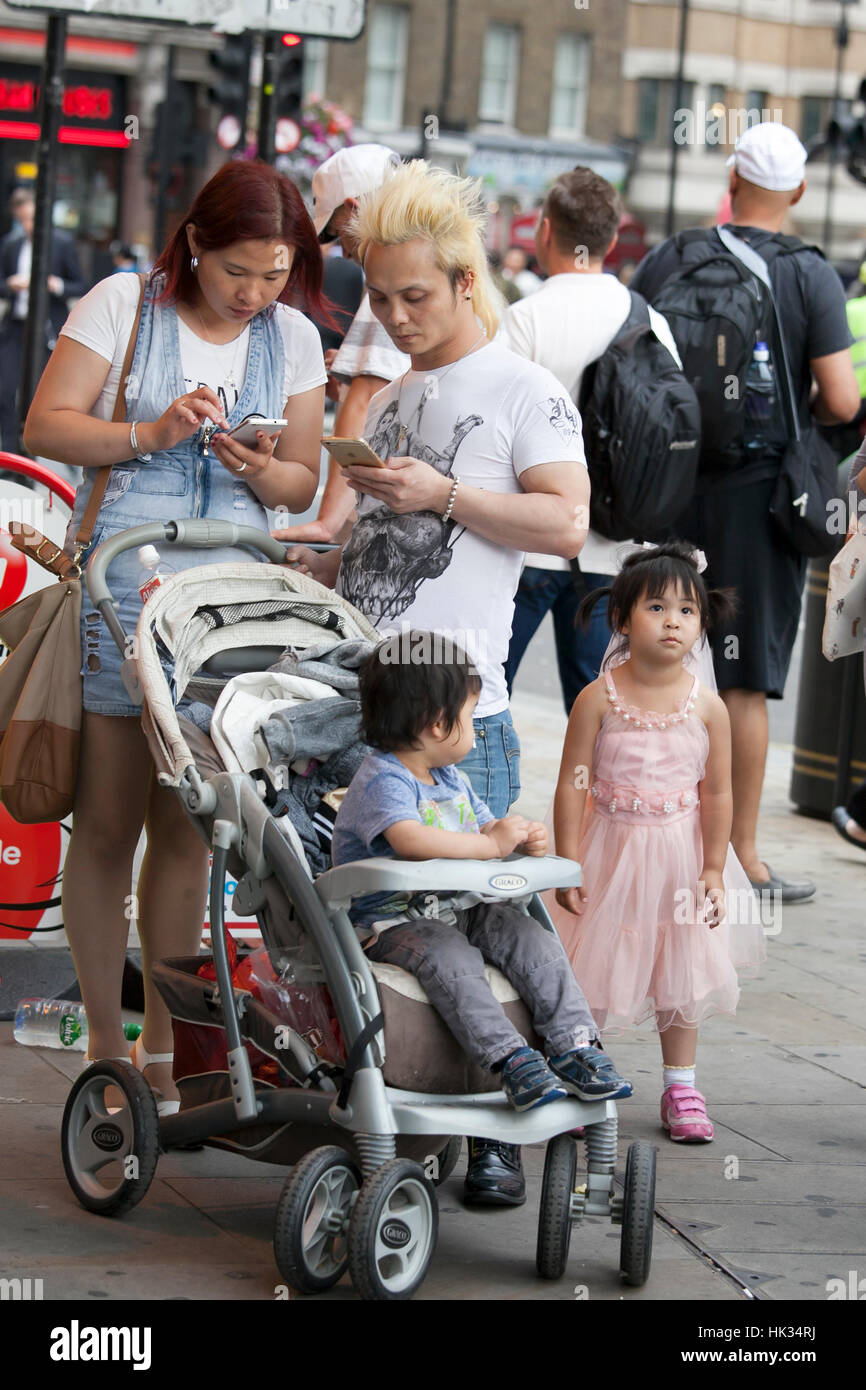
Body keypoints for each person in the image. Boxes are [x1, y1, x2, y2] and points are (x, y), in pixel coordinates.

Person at [284, 159, 591, 1205]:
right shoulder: (404, 393)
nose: (397, 316)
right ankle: (405, 1098)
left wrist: (446, 493)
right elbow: (382, 534)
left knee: (493, 918)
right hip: (370, 710)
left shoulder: (524, 389)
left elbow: (564, 524)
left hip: (465, 722)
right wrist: (316, 561)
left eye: (416, 294)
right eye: (380, 297)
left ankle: (510, 1131)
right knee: (395, 926)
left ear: (466, 281)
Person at [22, 160, 330, 1113]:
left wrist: (261, 464)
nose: (256, 293)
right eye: (240, 270)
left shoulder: (296, 339)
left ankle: (166, 1043)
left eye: (276, 273)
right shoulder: (125, 303)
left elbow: (301, 487)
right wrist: (150, 434)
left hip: (230, 614)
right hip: (125, 597)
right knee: (110, 824)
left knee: (190, 830)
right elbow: (45, 426)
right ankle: (104, 1047)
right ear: (195, 243)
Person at [631, 121, 860, 904]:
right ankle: (742, 859)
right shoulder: (811, 276)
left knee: (661, 663)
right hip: (762, 500)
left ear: (731, 179)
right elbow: (840, 398)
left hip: (674, 489)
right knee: (745, 681)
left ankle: (649, 840)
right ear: (797, 190)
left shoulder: (674, 254)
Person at [332, 633, 632, 1111]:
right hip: (394, 921)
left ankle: (576, 1044)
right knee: (451, 957)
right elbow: (410, 840)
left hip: (460, 907)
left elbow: (484, 826)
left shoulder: (450, 777)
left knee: (529, 936)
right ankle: (509, 1058)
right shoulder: (383, 777)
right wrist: (489, 845)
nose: (473, 729)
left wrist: (514, 835)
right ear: (436, 725)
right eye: (470, 717)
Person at [553, 543, 766, 1143]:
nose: (673, 621)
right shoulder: (597, 699)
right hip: (609, 852)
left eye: (687, 610)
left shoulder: (709, 707)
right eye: (655, 607)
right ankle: (582, 1069)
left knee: (684, 971)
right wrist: (567, 861)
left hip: (679, 859)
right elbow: (573, 784)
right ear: (621, 619)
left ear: (701, 624)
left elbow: (717, 793)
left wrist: (714, 868)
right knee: (591, 965)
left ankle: (682, 1085)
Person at [502, 167, 681, 713]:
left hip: (526, 544)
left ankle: (483, 799)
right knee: (602, 710)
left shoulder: (525, 319)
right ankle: (593, 800)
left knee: (480, 694)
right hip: (611, 551)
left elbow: (494, 434)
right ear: (609, 237)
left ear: (546, 231)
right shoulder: (651, 322)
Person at [279, 144, 408, 546]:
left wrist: (327, 523)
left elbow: (362, 402)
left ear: (353, 209)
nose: (341, 250)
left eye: (335, 232)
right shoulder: (437, 252)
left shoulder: (394, 270)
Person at [0, 188, 85, 450]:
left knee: (38, 393)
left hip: (46, 328)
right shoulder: (11, 245)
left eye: (31, 218)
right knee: (5, 389)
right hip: (16, 326)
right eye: (21, 219)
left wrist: (54, 284)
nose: (27, 225)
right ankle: (9, 452)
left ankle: (31, 453)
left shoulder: (62, 243)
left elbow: (79, 284)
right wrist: (10, 285)